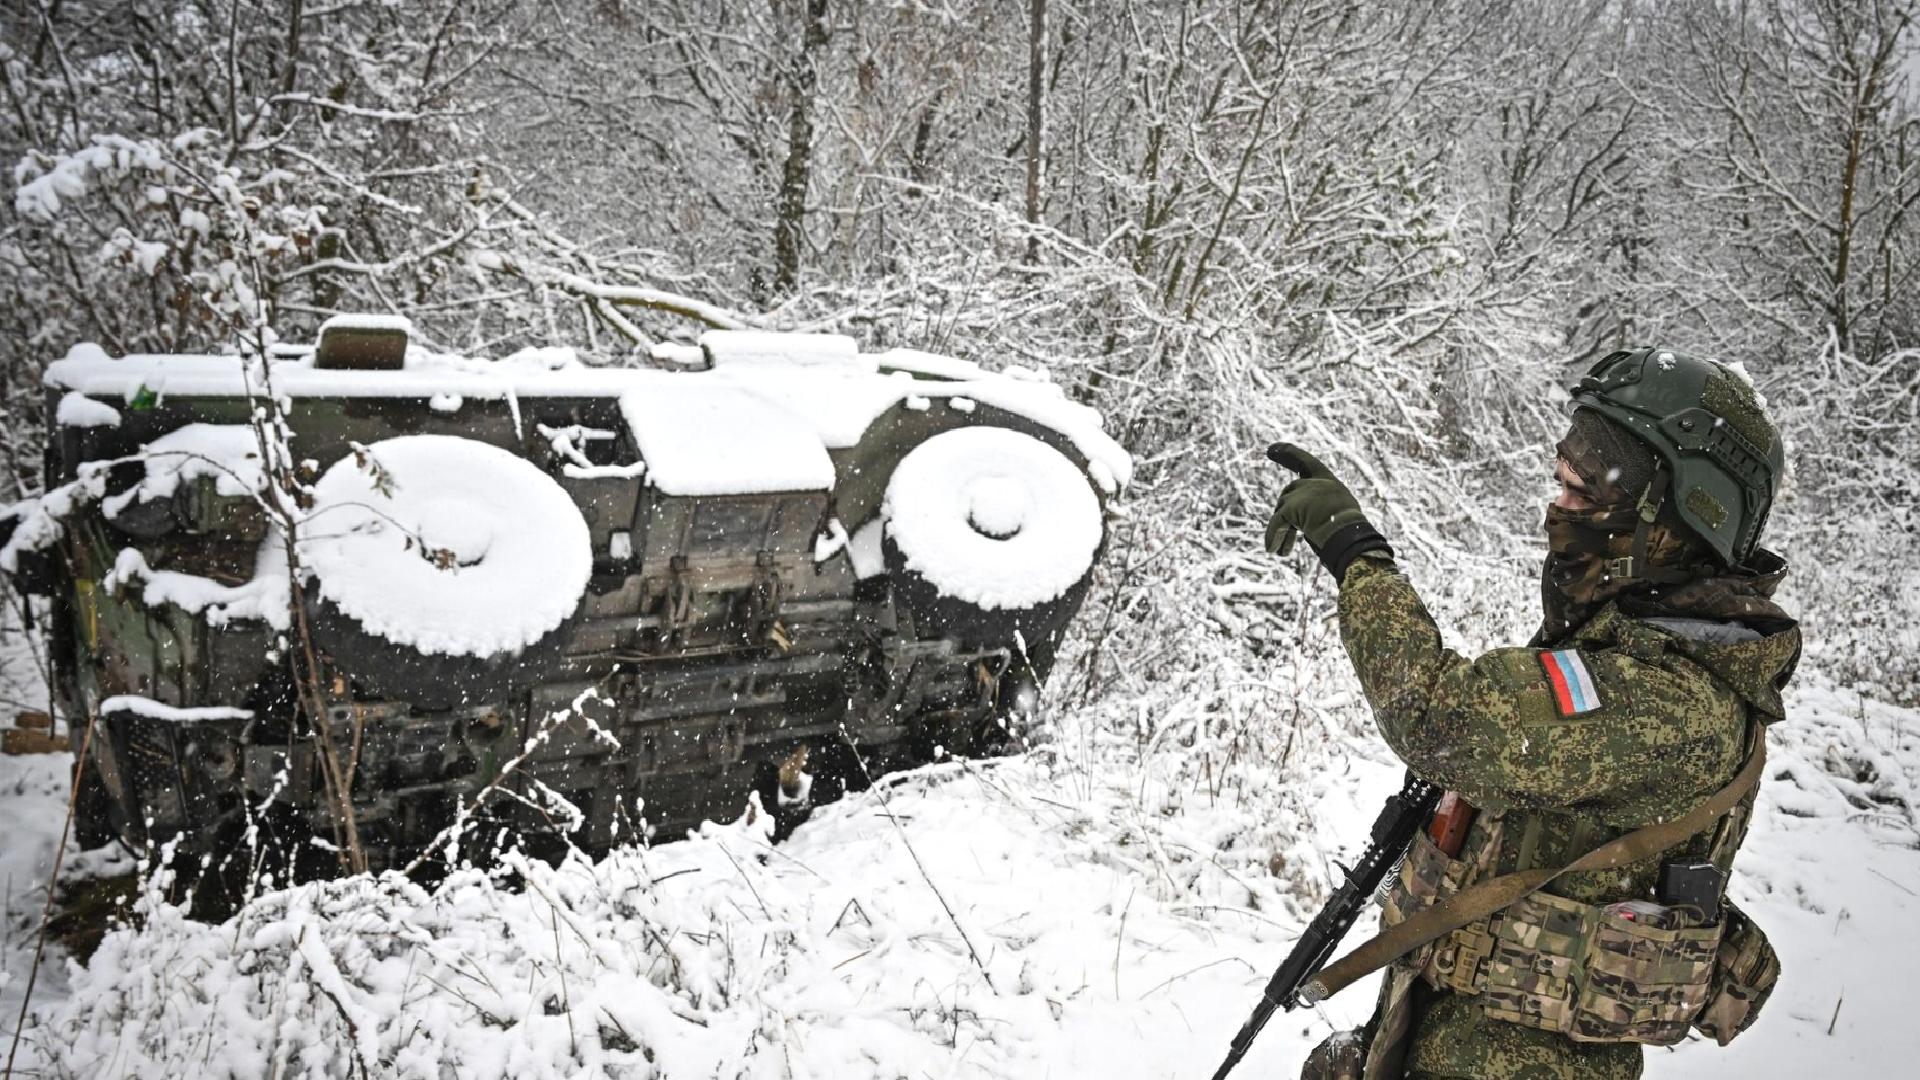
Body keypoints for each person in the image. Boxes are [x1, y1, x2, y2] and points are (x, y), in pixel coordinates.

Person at [1267, 347, 1798, 1080]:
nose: (1560, 508)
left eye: (1589, 492)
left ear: (1682, 516)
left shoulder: (1671, 700)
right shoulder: (1634, 645)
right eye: (1564, 483)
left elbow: (1439, 717)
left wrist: (1357, 552)